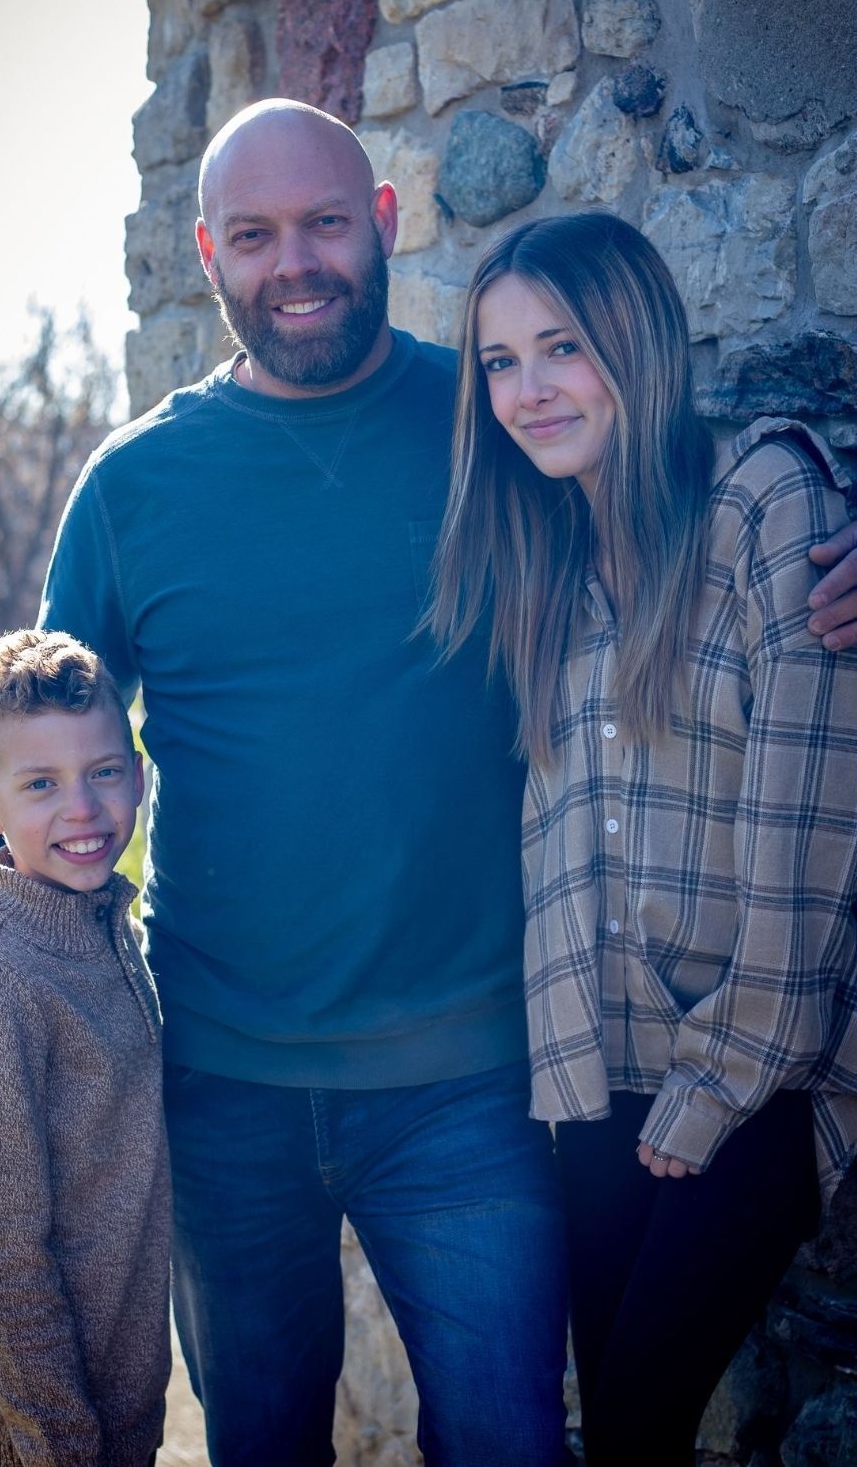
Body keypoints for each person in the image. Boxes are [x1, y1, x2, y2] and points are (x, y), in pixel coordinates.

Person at [0, 101, 857, 1467]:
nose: (297, 263)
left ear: (383, 222)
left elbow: (669, 488)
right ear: (207, 254)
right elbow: (19, 746)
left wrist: (835, 536)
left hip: (472, 1082)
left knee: (511, 1440)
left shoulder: (481, 432)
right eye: (257, 235)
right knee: (262, 1441)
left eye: (326, 223)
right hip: (224, 1081)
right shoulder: (133, 484)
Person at [429, 211, 857, 1467]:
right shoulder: (544, 566)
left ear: (636, 337)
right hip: (592, 1075)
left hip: (754, 1077)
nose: (526, 390)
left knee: (625, 1428)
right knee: (620, 1431)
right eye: (498, 362)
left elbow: (813, 828)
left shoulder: (763, 503)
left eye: (559, 346)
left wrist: (717, 1086)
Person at [0, 629, 170, 1467]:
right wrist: (63, 1443)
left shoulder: (108, 931)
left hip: (116, 1399)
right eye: (40, 784)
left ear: (137, 773)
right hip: (38, 1433)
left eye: (104, 771)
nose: (84, 810)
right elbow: (0, 1263)